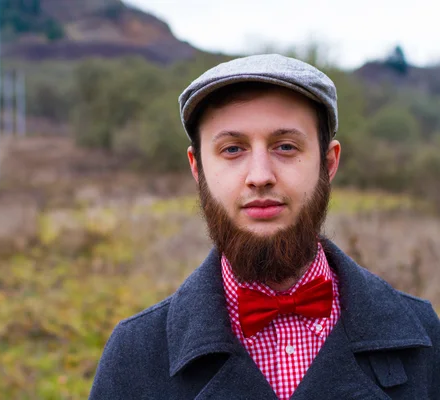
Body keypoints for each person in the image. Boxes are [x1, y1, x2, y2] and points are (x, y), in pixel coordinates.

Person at [89, 54, 440, 399]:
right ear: (198, 170)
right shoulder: (133, 355)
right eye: (232, 149)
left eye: (285, 147)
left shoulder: (424, 337)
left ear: (328, 163)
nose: (260, 177)